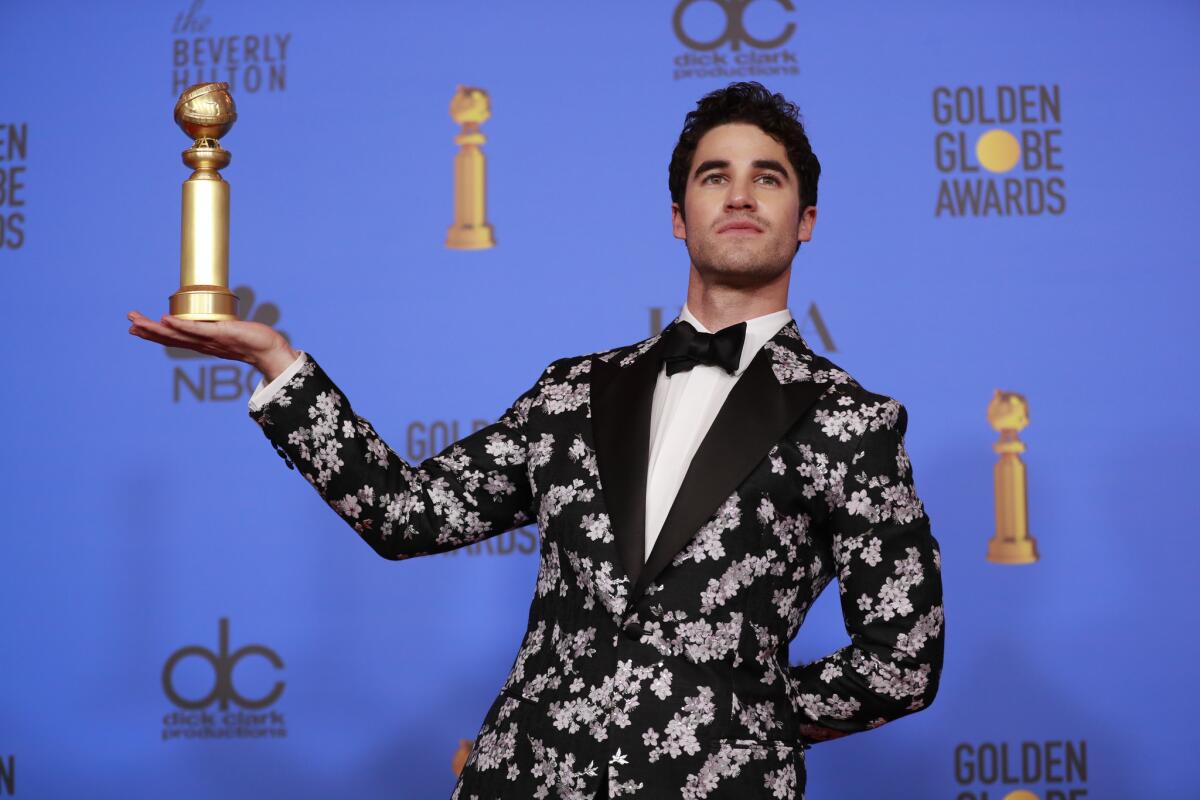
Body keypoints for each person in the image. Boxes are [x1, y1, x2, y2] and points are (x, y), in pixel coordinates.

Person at [129, 81, 944, 799]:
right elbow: (405, 514)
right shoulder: (575, 393)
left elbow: (901, 659)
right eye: (713, 176)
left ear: (805, 221)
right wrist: (277, 361)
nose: (739, 195)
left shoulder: (850, 422)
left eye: (766, 178)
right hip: (524, 779)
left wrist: (741, 715)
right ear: (676, 216)